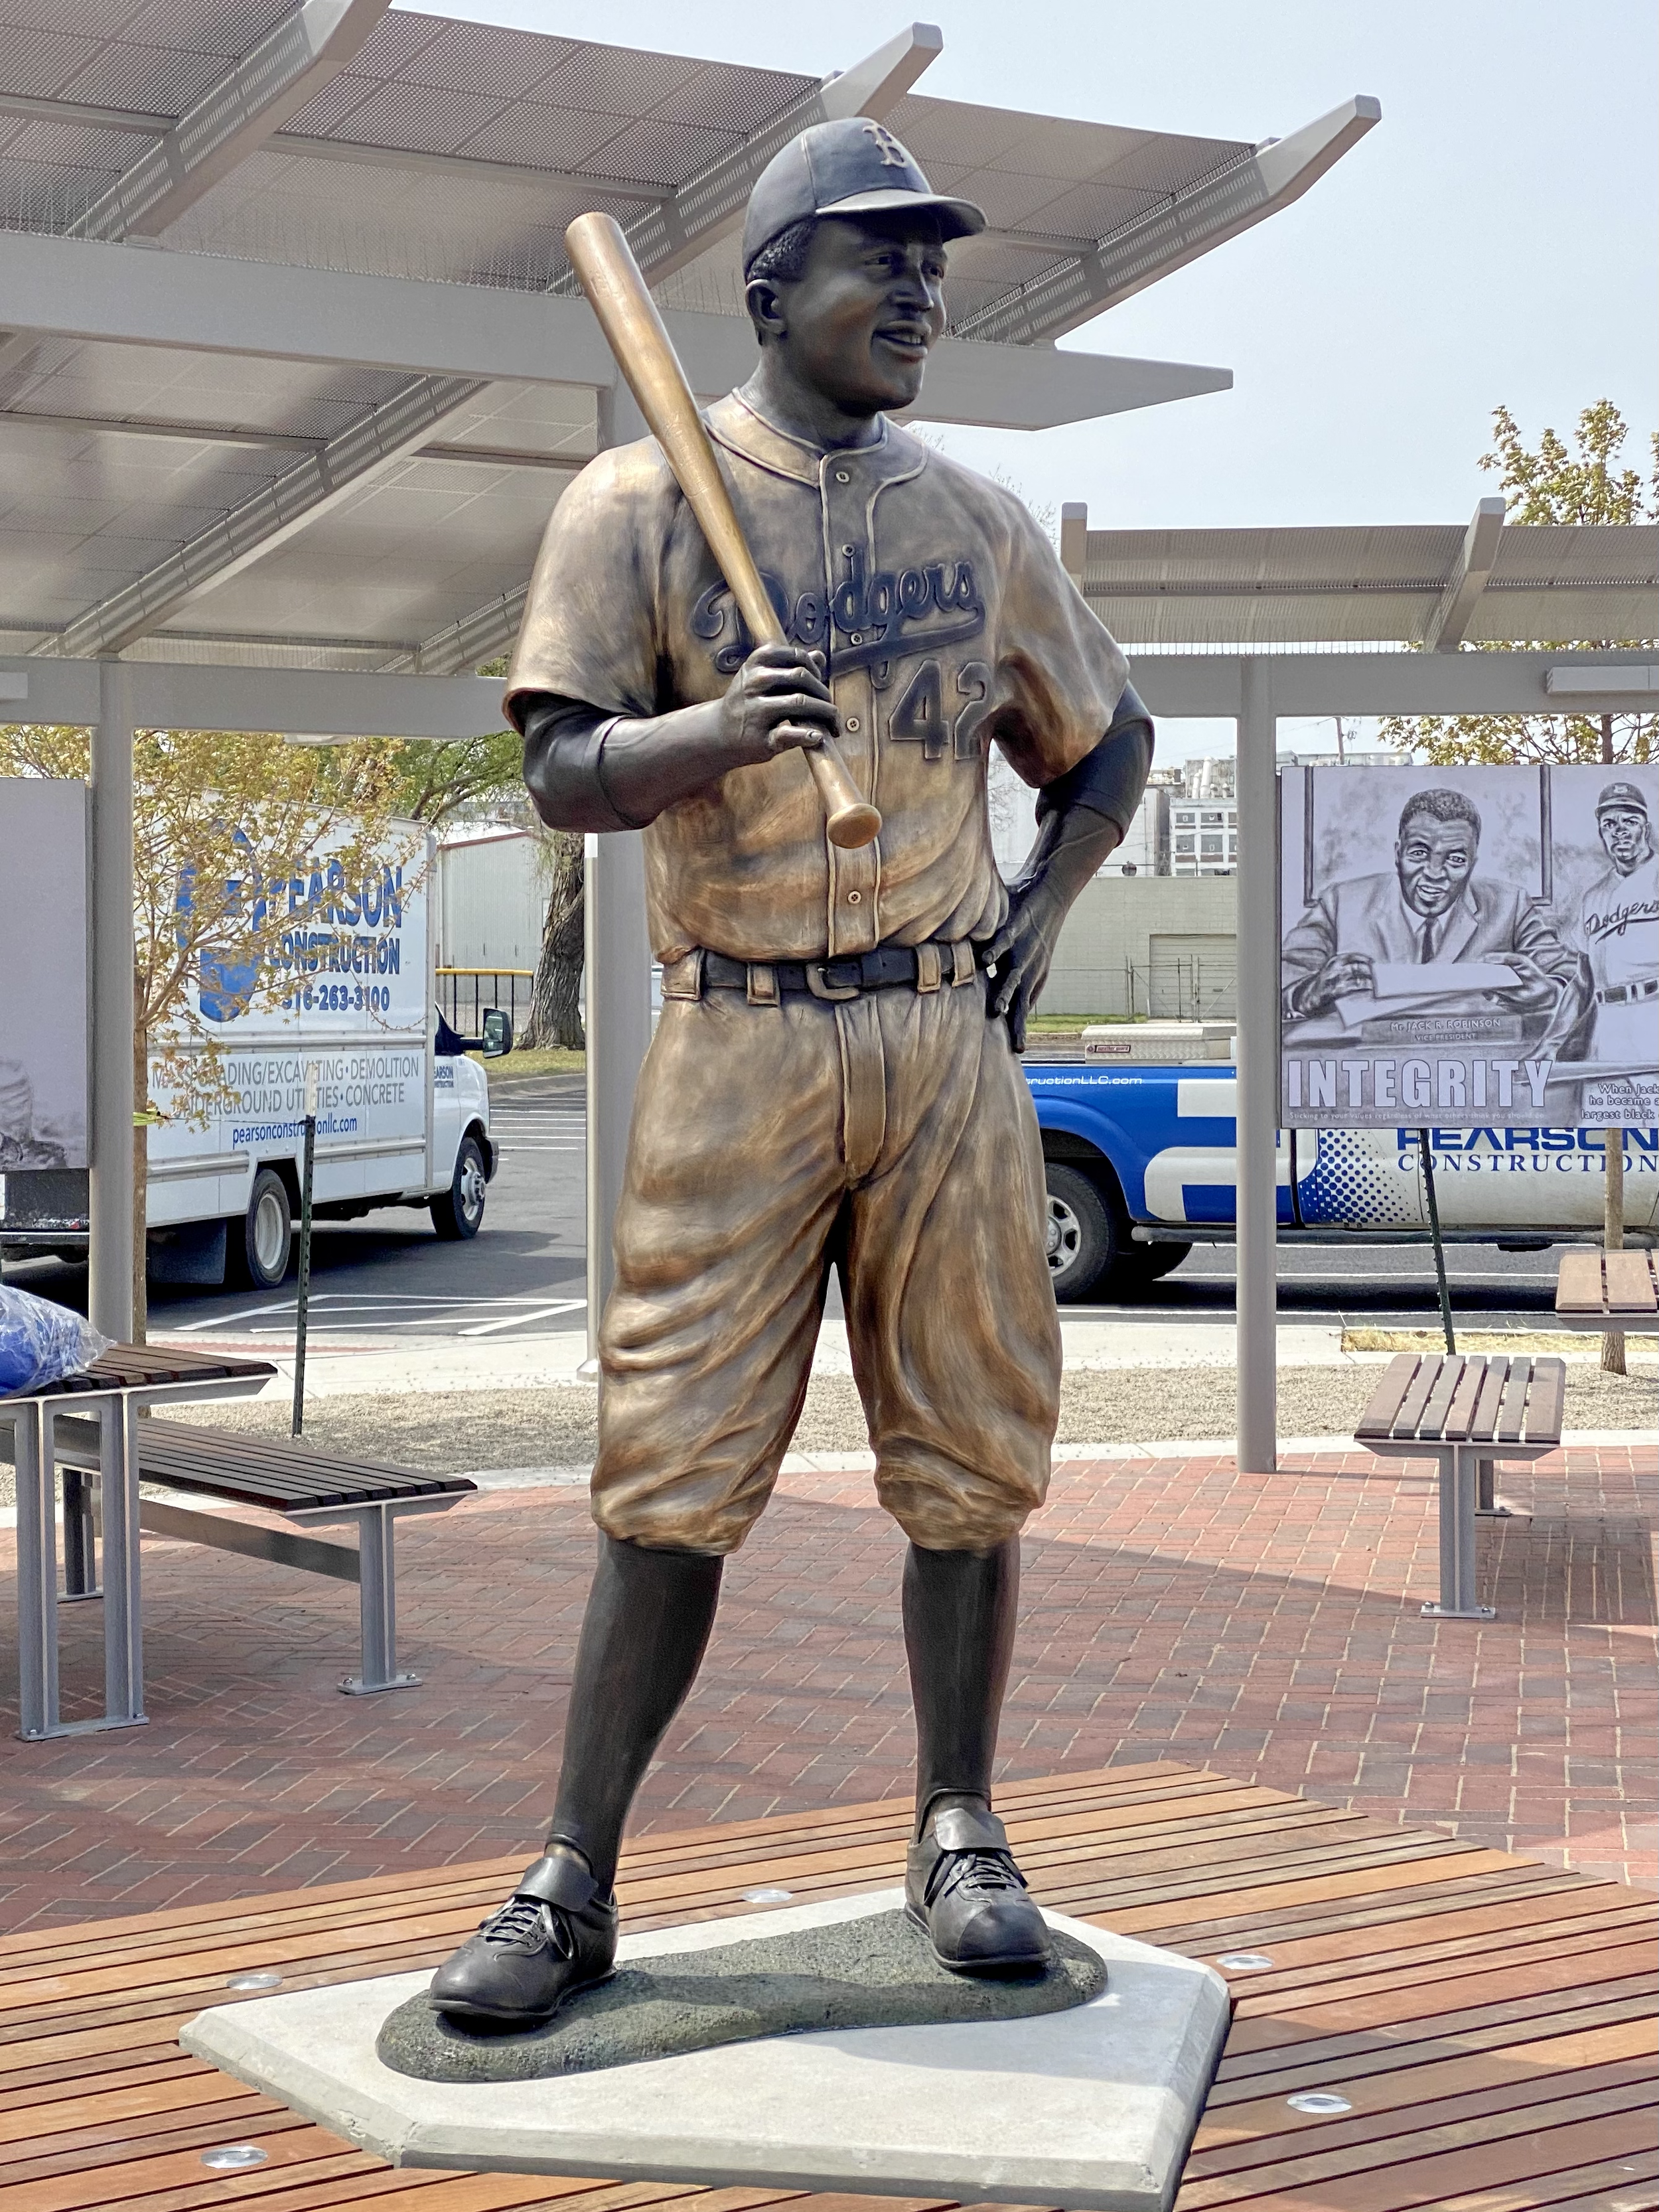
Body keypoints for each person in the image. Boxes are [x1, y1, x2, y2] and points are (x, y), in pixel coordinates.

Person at [428, 116, 1152, 2026]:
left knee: (973, 1459)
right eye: (875, 257)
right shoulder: (634, 504)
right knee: (666, 1470)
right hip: (734, 1026)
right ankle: (572, 1870)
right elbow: (559, 770)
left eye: (932, 261)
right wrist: (696, 734)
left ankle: (960, 1824)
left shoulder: (977, 516)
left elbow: (1109, 740)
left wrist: (1040, 907)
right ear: (768, 289)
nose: (916, 288)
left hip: (934, 1031)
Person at [1281, 786, 1585, 1036]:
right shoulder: (1341, 904)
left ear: (1473, 863)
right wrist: (1307, 992)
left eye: (1455, 860)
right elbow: (1281, 979)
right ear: (1397, 853)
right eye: (1419, 854)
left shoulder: (1509, 905)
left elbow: (1572, 976)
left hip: (1472, 1077)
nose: (1435, 873)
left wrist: (1549, 992)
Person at [1575, 778, 1658, 1067]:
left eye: (1630, 821)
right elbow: (1582, 980)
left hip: (1652, 1014)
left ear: (1645, 829)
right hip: (1607, 1021)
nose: (1619, 830)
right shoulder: (1593, 897)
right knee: (1599, 1111)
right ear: (1602, 835)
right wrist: (1551, 1041)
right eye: (1609, 824)